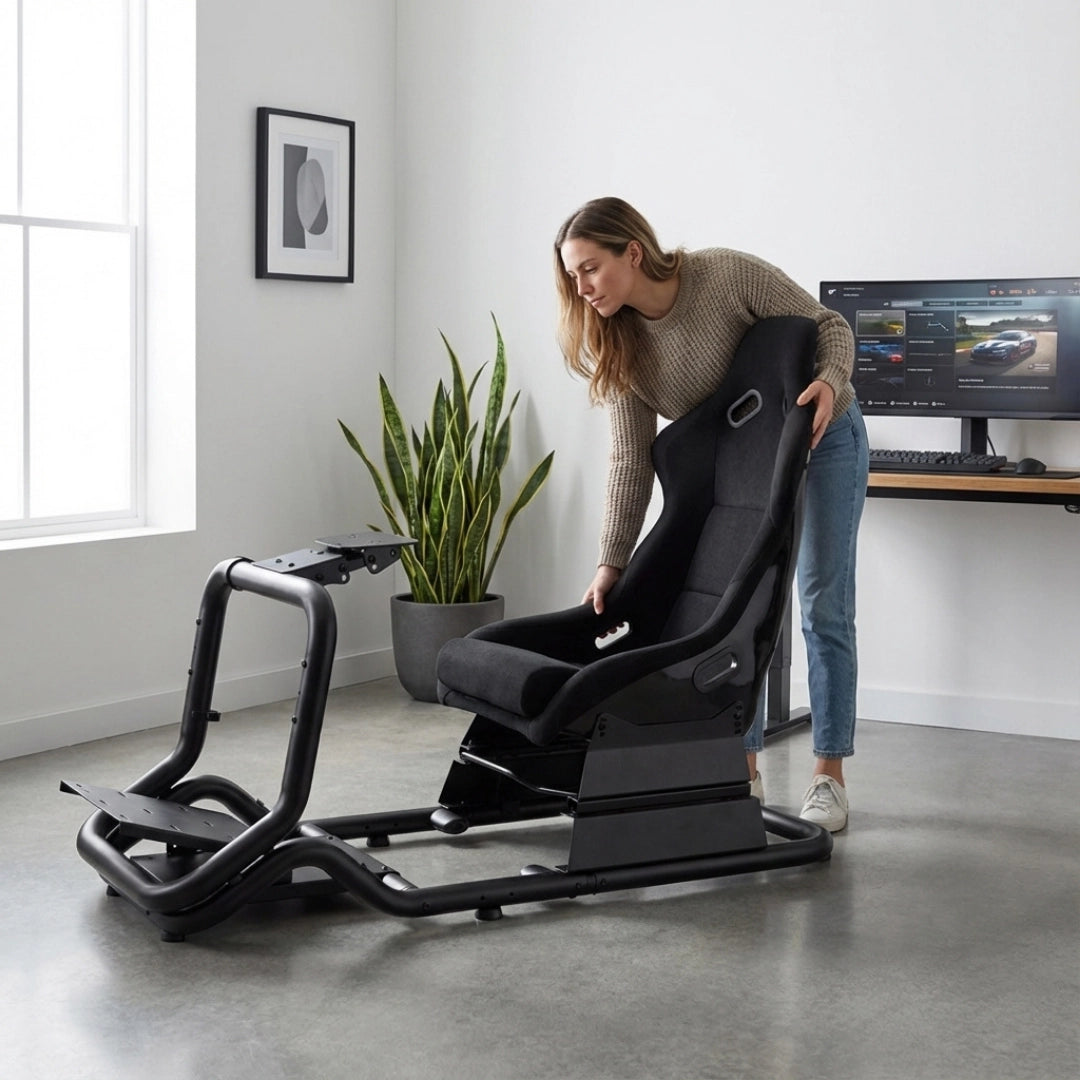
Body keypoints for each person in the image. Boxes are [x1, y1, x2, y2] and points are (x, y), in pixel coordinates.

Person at [554, 196, 868, 832]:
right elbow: (629, 460)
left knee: (821, 604)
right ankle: (739, 767)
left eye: (589, 269)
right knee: (739, 612)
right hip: (749, 472)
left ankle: (829, 778)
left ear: (632, 252)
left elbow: (828, 324)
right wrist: (611, 562)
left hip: (824, 439)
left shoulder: (723, 276)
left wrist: (831, 383)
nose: (581, 288)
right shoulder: (621, 344)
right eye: (571, 277)